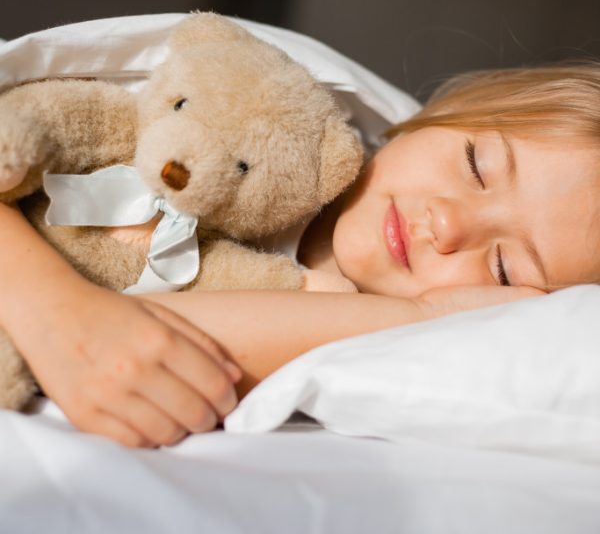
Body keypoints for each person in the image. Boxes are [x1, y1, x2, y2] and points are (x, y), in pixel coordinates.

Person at [1, 62, 599, 448]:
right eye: (477, 164)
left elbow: (143, 345)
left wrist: (425, 320)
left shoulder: (364, 344)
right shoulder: (259, 112)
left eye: (504, 268)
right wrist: (54, 307)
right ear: (454, 108)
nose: (447, 223)